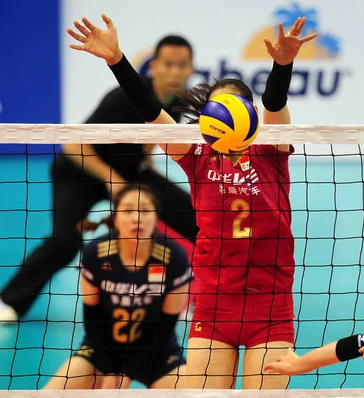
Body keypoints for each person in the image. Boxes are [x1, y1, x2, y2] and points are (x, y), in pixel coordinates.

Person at [67, 13, 316, 390]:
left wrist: (283, 65)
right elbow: (150, 111)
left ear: (250, 116)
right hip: (215, 304)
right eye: (216, 108)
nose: (223, 116)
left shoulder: (271, 150)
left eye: (233, 107)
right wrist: (116, 60)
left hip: (270, 305)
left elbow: (275, 103)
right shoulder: (196, 156)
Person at [0, 35, 197, 322]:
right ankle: (10, 301)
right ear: (154, 66)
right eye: (169, 64)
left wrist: (143, 172)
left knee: (195, 216)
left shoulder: (178, 103)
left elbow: (150, 141)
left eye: (182, 65)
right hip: (79, 172)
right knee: (65, 241)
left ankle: (203, 296)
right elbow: (74, 145)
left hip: (129, 173)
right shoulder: (123, 98)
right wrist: (113, 181)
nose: (175, 72)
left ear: (191, 68)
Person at [44, 184, 193, 390]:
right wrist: (110, 368)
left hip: (158, 352)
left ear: (157, 217)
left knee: (193, 392)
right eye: (128, 210)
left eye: (145, 210)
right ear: (115, 216)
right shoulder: (95, 252)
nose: (137, 218)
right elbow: (93, 317)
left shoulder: (173, 256)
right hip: (101, 349)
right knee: (48, 394)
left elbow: (166, 324)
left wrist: (128, 371)